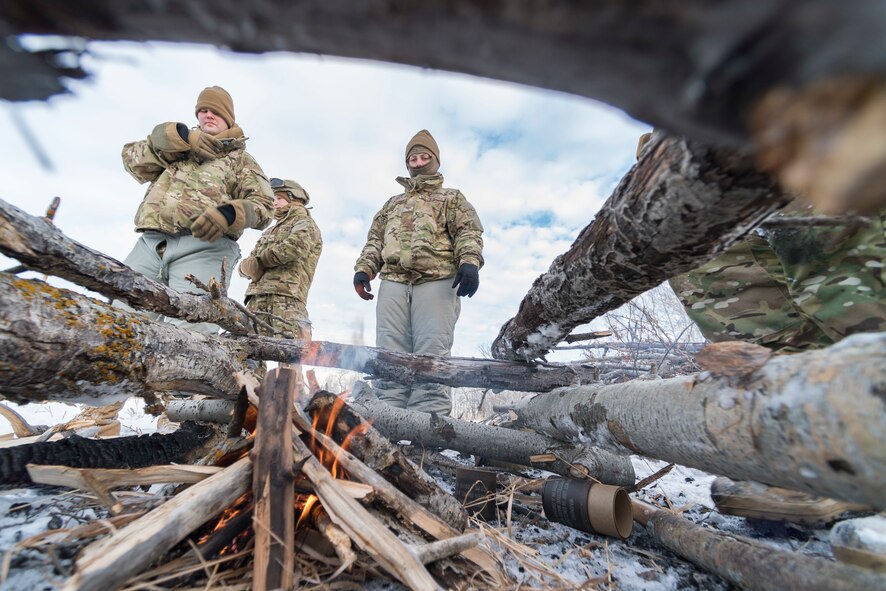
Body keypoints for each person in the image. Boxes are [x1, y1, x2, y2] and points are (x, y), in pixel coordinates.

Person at [119, 86, 274, 333]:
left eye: (215, 111)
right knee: (122, 319)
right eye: (202, 110)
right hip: (151, 244)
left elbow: (264, 207)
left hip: (205, 248)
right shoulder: (177, 150)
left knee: (191, 332)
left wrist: (230, 213)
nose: (207, 115)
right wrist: (176, 137)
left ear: (229, 118)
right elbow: (131, 160)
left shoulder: (242, 161)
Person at [353, 129, 484, 415]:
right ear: (407, 163)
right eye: (413, 157)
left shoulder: (452, 198)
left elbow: (468, 232)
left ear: (435, 160)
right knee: (389, 354)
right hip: (394, 282)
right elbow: (375, 240)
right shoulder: (392, 204)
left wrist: (470, 262)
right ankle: (387, 418)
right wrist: (364, 270)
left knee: (431, 353)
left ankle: (429, 426)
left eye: (425, 156)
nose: (419, 161)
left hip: (437, 281)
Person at [238, 178, 322, 342]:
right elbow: (251, 259)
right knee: (250, 353)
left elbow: (295, 247)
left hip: (287, 300)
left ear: (294, 198)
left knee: (291, 356)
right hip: (256, 298)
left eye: (279, 198)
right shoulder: (269, 232)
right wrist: (244, 268)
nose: (274, 203)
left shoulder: (305, 223)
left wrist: (260, 262)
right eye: (272, 199)